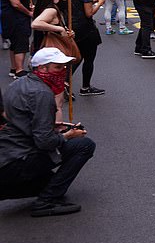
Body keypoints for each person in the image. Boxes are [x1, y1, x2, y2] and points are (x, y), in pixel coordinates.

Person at [0, 47, 95, 217]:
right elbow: (45, 142)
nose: (63, 72)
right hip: (18, 160)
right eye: (58, 68)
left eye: (64, 68)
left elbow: (21, 119)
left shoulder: (17, 84)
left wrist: (54, 126)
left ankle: (22, 188)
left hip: (7, 156)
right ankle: (46, 201)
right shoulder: (42, 93)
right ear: (42, 68)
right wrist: (67, 135)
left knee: (50, 182)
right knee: (84, 145)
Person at [30, 0, 71, 119]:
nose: (64, 0)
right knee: (56, 102)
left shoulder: (43, 8)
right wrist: (58, 29)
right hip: (50, 56)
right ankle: (57, 129)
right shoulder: (51, 10)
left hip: (42, 55)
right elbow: (36, 24)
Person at [68, 0, 106, 96]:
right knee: (87, 58)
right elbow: (89, 13)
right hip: (86, 29)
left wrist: (92, 1)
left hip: (71, 27)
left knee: (75, 57)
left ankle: (65, 83)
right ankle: (84, 86)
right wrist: (99, 4)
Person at [2, 0, 33, 78]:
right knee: (20, 43)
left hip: (15, 18)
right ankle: (19, 70)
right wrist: (28, 12)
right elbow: (15, 3)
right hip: (16, 19)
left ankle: (14, 68)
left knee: (15, 44)